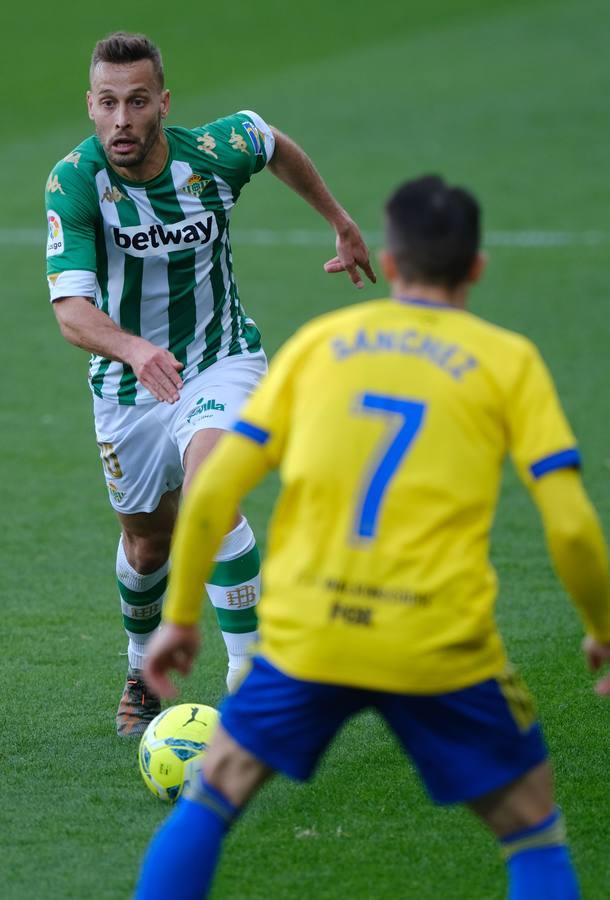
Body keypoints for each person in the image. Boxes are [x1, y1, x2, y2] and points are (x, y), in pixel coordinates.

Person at [136, 174, 610, 899]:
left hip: (312, 633)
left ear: (388, 263)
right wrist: (602, 628)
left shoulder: (320, 344)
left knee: (214, 793)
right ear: (477, 267)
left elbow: (213, 492)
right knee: (531, 828)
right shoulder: (508, 360)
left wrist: (180, 619)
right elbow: (572, 526)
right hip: (436, 640)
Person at [44, 32, 375, 736]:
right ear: (90, 105)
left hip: (221, 359)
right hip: (127, 384)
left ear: (163, 103)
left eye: (138, 101)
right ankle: (141, 671)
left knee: (212, 493)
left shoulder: (214, 154)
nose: (122, 119)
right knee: (147, 546)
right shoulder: (74, 182)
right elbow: (71, 311)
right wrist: (134, 350)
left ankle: (249, 684)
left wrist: (339, 220)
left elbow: (270, 140)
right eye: (108, 103)